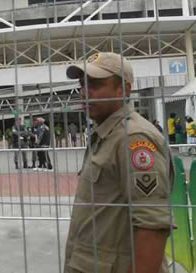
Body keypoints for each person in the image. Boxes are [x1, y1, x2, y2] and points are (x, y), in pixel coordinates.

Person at [65, 52, 173, 273]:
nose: (85, 92)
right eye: (82, 85)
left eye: (95, 84)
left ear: (123, 89)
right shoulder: (107, 133)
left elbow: (151, 226)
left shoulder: (133, 138)